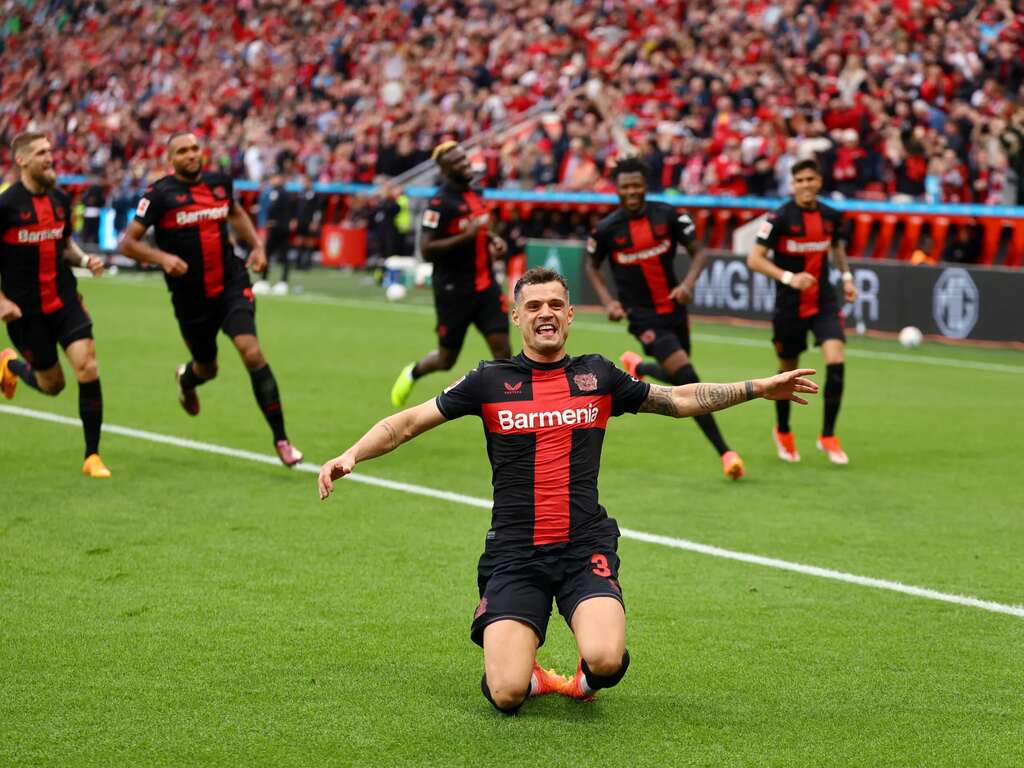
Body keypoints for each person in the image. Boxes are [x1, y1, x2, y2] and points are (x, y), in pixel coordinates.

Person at [319, 267, 818, 715]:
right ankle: (529, 673)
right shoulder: (488, 380)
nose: (545, 314)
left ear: (571, 315)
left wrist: (758, 387)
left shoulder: (596, 374)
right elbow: (407, 423)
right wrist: (352, 454)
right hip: (515, 552)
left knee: (605, 660)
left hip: (583, 545)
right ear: (516, 316)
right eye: (533, 306)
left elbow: (677, 399)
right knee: (507, 694)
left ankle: (582, 680)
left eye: (555, 305)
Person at [120, 131, 303, 467]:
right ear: (170, 159)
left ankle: (282, 440)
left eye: (194, 149)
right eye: (182, 151)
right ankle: (187, 379)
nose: (191, 155)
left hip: (231, 284)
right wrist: (162, 259)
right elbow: (128, 244)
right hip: (190, 298)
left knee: (252, 352)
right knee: (208, 368)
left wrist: (257, 247)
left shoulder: (220, 184)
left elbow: (234, 213)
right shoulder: (159, 194)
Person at [585, 156, 745, 480]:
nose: (631, 192)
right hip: (642, 318)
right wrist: (609, 302)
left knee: (681, 378)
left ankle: (640, 367)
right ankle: (726, 453)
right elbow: (591, 265)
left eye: (636, 185)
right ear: (617, 189)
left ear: (645, 186)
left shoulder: (667, 214)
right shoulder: (606, 229)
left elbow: (699, 251)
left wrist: (687, 285)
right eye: (625, 186)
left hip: (674, 308)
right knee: (688, 378)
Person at [0, 132, 111, 478]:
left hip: (64, 300)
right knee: (53, 385)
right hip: (25, 313)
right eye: (42, 153)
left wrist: (84, 259)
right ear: (22, 161)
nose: (51, 158)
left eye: (51, 151)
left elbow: (64, 244)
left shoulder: (61, 200)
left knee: (88, 368)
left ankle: (92, 455)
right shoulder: (6, 207)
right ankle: (10, 364)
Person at [746, 158, 857, 465]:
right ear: (793, 185)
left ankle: (828, 436)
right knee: (786, 373)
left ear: (819, 181)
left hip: (823, 301)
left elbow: (836, 248)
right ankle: (783, 430)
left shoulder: (832, 216)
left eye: (811, 179)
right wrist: (788, 278)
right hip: (789, 306)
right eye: (800, 180)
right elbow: (754, 259)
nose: (806, 184)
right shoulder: (779, 217)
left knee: (836, 362)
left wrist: (846, 278)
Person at [389, 142, 510, 408]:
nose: (465, 165)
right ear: (445, 170)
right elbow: (427, 249)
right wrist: (464, 237)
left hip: (486, 286)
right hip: (454, 291)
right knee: (446, 360)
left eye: (465, 159)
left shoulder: (477, 193)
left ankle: (506, 412)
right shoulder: (439, 203)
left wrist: (493, 240)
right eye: (457, 162)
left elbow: (483, 228)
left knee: (503, 351)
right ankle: (413, 371)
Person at [253, 172, 296, 295]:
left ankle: (264, 280)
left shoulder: (275, 192)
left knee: (268, 253)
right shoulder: (289, 194)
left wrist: (270, 221)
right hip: (285, 227)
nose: (272, 180)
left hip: (276, 227)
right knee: (284, 255)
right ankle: (283, 282)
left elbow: (272, 208)